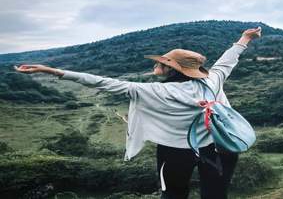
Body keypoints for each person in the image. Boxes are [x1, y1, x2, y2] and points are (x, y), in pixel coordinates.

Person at [15, 26, 262, 199]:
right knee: (216, 194)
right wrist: (245, 39)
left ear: (171, 69)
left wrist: (52, 71)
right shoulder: (212, 81)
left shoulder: (153, 91)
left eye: (163, 63)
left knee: (173, 194)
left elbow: (101, 82)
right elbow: (226, 61)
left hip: (176, 152)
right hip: (218, 147)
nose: (158, 64)